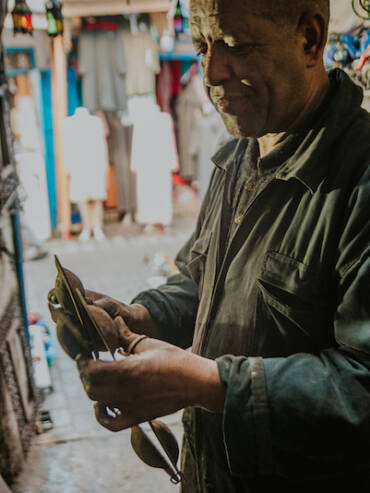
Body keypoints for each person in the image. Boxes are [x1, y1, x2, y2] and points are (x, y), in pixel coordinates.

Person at [49, 1, 370, 491]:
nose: (213, 72)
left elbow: (362, 385)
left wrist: (209, 384)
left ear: (309, 38)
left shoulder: (359, 178)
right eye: (202, 47)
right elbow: (202, 282)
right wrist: (138, 317)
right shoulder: (240, 154)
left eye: (237, 46)